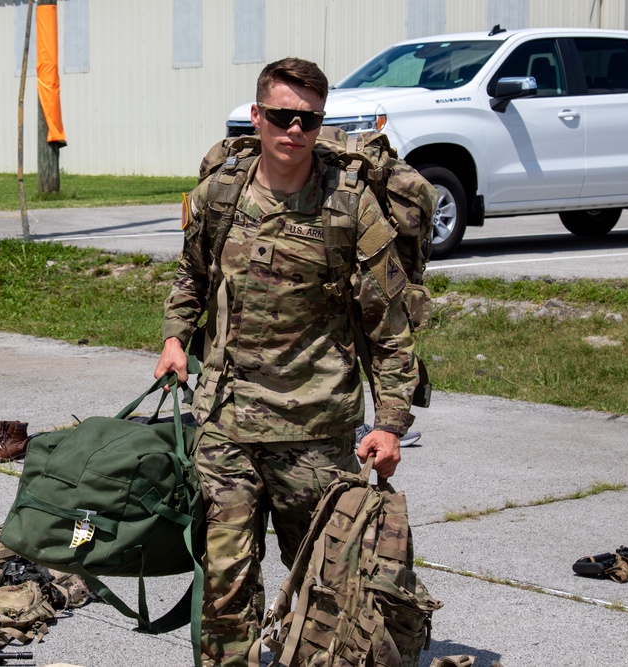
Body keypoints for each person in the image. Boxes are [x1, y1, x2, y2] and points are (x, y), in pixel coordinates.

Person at [153, 57, 420, 666]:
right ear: (257, 117)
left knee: (327, 588)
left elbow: (389, 326)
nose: (294, 130)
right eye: (281, 115)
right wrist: (175, 338)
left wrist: (391, 422)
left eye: (308, 119)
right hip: (225, 422)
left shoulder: (349, 207)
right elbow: (192, 275)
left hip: (315, 429)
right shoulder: (221, 192)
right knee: (224, 589)